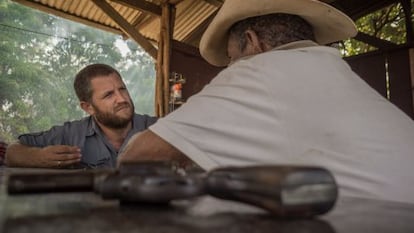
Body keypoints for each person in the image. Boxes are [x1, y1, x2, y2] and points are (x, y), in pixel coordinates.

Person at [119, 0, 414, 204]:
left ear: (253, 41)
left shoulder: (259, 70)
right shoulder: (335, 73)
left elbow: (138, 158)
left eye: (232, 58)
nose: (231, 67)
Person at [5, 64, 157, 169]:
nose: (122, 99)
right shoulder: (71, 134)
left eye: (122, 89)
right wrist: (39, 157)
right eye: (109, 95)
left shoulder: (159, 129)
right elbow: (12, 151)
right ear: (88, 107)